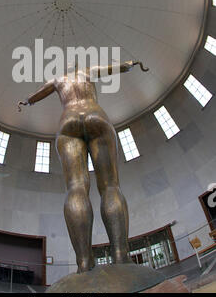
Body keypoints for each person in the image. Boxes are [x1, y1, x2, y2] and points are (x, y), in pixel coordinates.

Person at [18, 60, 148, 273]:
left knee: (76, 188)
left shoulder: (57, 80)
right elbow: (116, 67)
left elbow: (37, 94)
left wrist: (26, 101)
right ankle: (121, 256)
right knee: (110, 187)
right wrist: (132, 64)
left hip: (67, 122)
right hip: (96, 116)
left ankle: (84, 263)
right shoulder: (88, 71)